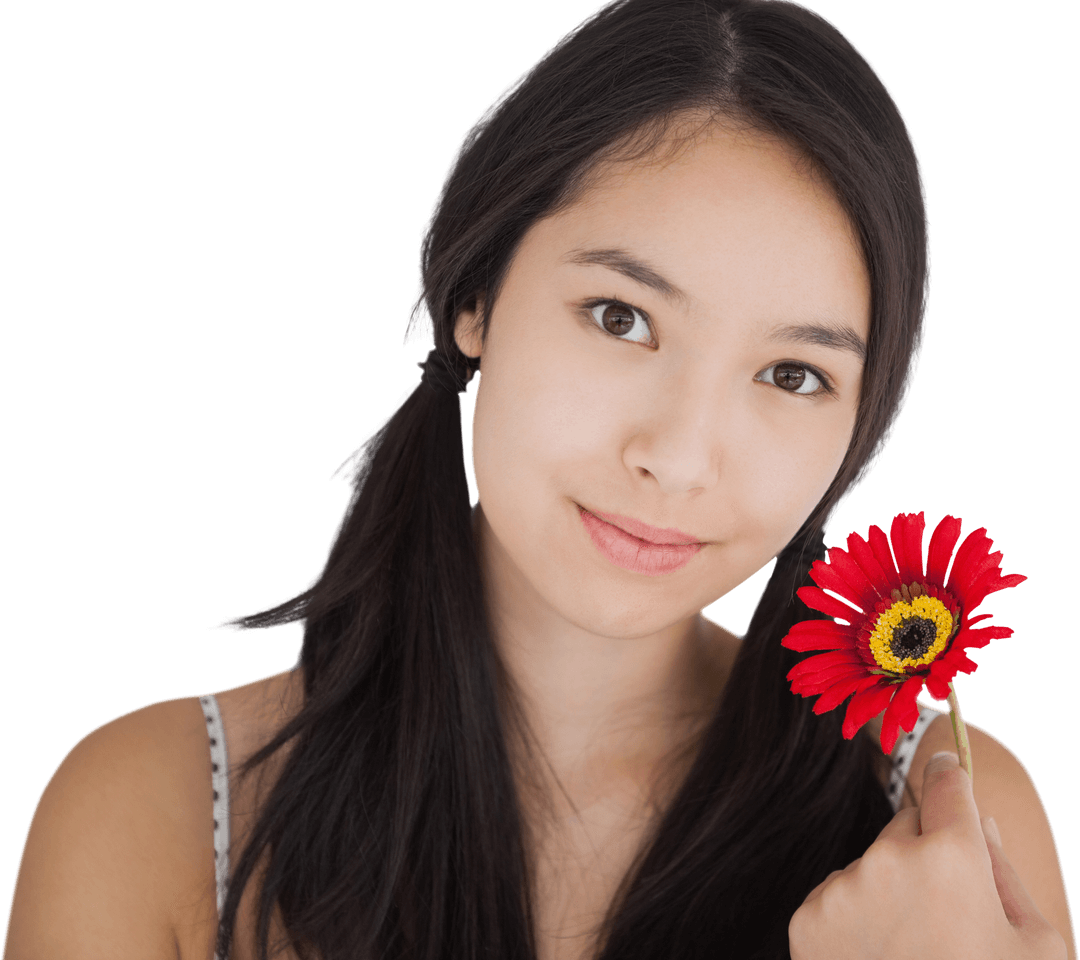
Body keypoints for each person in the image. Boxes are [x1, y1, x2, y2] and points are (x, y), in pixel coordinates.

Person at [4, 0, 1074, 958]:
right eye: (622, 318)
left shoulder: (943, 831)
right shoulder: (158, 815)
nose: (679, 456)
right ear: (476, 297)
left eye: (793, 374)